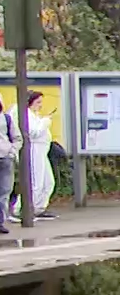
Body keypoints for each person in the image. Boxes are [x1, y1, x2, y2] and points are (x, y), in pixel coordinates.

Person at [9, 91, 56, 221]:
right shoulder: (23, 114)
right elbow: (33, 132)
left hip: (41, 150)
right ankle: (20, 210)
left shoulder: (31, 114)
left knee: (48, 182)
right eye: (38, 102)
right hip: (33, 150)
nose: (40, 106)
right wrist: (45, 121)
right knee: (35, 182)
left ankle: (38, 208)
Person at [0, 97, 19, 233]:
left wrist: (11, 151)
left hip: (5, 157)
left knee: (5, 190)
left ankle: (0, 221)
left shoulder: (6, 118)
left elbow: (17, 137)